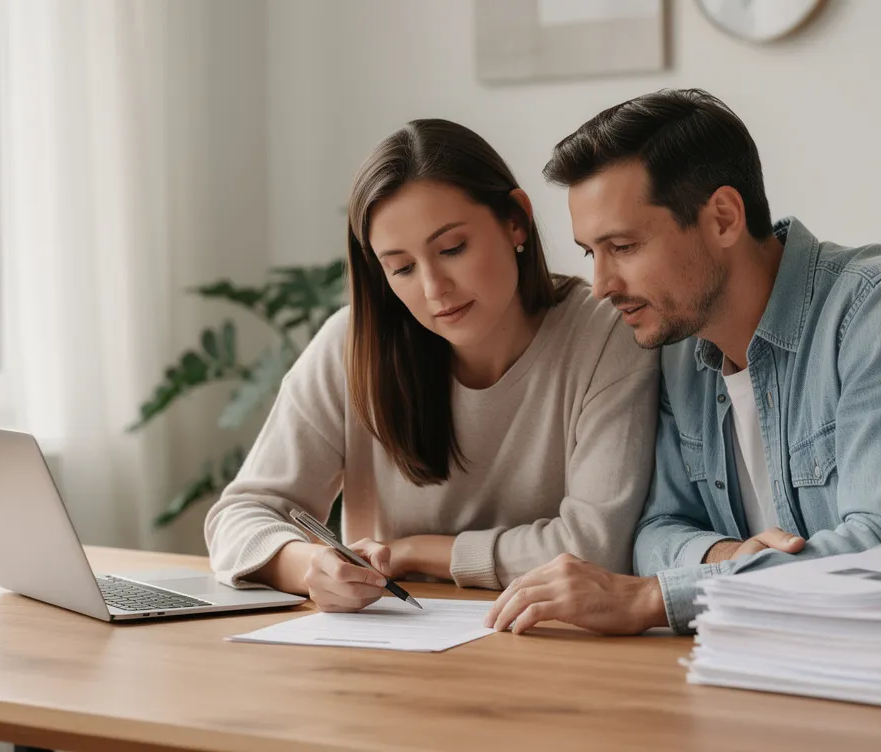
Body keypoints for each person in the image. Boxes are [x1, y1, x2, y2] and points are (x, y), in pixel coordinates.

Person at [485, 88, 881, 636]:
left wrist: (656, 597)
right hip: (797, 669)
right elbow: (654, 532)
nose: (602, 286)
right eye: (591, 253)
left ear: (724, 217)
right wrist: (730, 559)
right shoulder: (679, 348)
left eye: (624, 247)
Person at [205, 119, 658, 612]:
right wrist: (308, 567)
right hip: (391, 650)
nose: (433, 288)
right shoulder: (352, 344)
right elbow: (240, 517)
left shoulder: (606, 332)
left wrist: (414, 552)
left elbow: (594, 547)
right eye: (401, 268)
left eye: (452, 249)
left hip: (556, 645)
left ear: (516, 221)